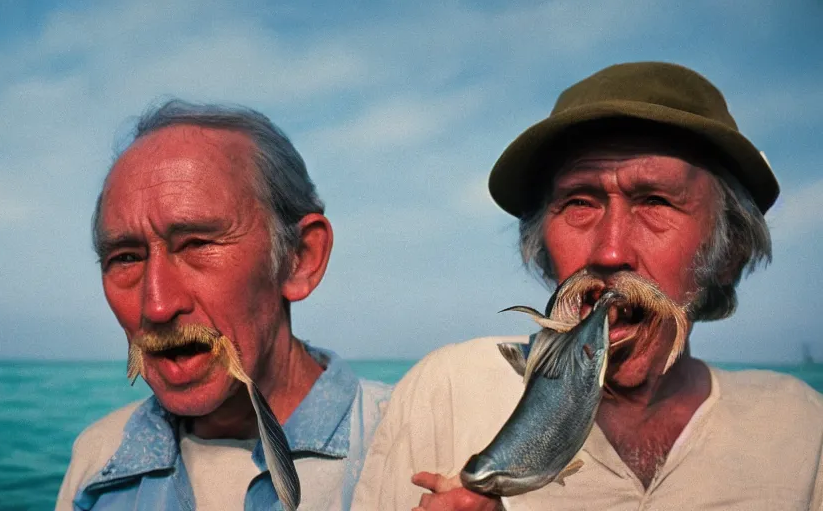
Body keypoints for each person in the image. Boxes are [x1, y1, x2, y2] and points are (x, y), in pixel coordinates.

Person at [351, 62, 823, 510]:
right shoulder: (451, 392)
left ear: (728, 253)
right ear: (540, 243)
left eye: (654, 201)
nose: (610, 252)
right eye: (580, 202)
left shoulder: (798, 425)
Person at [55, 101, 391, 510]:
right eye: (126, 257)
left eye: (197, 244)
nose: (157, 306)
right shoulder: (98, 460)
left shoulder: (414, 445)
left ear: (299, 258)